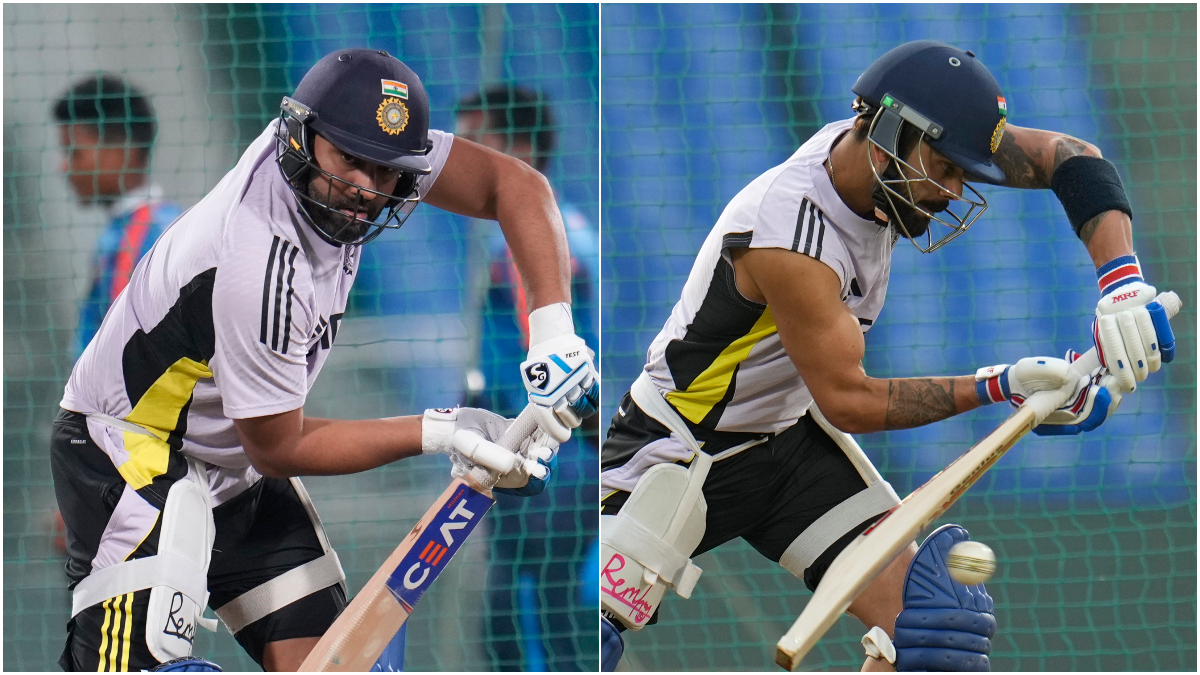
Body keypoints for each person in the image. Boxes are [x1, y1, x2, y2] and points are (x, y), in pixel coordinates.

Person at [598, 40, 1175, 672]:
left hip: (785, 449)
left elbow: (1073, 159)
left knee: (939, 635)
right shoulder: (789, 237)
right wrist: (1001, 386)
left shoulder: (878, 160)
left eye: (963, 171)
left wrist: (1120, 283)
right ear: (887, 137)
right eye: (946, 168)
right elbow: (849, 401)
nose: (955, 191)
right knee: (586, 643)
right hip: (676, 451)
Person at [50, 48, 597, 672]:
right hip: (130, 451)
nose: (365, 189)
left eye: (386, 170)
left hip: (232, 458)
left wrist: (554, 333)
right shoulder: (260, 261)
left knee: (344, 667)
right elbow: (280, 447)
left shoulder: (357, 151)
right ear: (301, 137)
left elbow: (515, 184)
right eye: (350, 161)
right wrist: (443, 429)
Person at [455, 84, 599, 671]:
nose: (459, 158)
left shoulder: (543, 238)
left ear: (516, 147)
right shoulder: (523, 233)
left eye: (473, 141)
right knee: (522, 611)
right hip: (523, 455)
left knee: (538, 615)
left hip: (549, 462)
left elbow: (553, 359)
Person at [53, 74, 182, 357]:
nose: (63, 167)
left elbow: (125, 357)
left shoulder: (145, 238)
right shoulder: (143, 227)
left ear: (123, 151)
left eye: (74, 153)